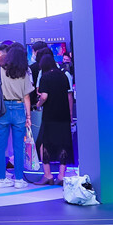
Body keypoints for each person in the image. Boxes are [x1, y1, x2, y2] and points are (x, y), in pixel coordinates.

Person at [0, 43, 34, 189]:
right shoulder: (24, 72)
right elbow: (27, 97)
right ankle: (18, 179)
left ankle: (0, 179)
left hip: (2, 109)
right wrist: (28, 117)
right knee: (19, 146)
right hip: (18, 108)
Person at [34, 53, 74, 186]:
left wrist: (38, 104)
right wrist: (70, 114)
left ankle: (48, 175)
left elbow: (44, 96)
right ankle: (61, 176)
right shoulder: (63, 76)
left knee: (45, 144)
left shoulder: (45, 77)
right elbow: (69, 96)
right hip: (63, 115)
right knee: (64, 144)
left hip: (50, 115)